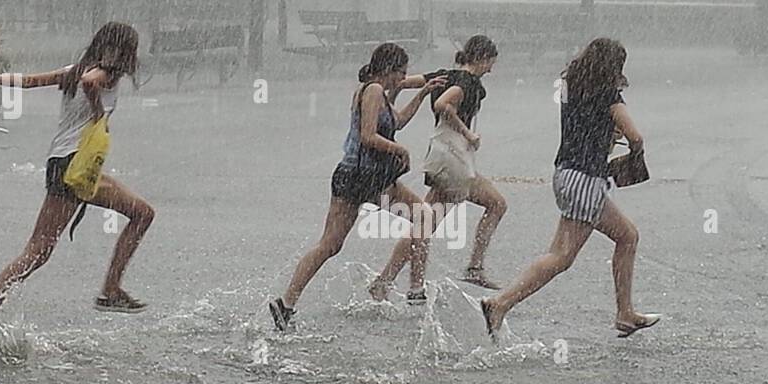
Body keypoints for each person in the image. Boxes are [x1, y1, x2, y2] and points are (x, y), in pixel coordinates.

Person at [0, 21, 155, 329]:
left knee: (41, 249)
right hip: (74, 167)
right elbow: (91, 82)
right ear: (125, 52)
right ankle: (109, 289)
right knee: (40, 250)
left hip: (62, 163)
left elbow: (27, 81)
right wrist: (98, 112)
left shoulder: (73, 70)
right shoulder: (102, 75)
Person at [481, 38, 660, 339]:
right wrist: (633, 157)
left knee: (627, 235)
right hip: (586, 180)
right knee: (561, 257)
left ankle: (625, 313)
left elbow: (588, 127)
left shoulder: (573, 89)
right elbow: (636, 136)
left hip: (565, 174)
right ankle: (500, 303)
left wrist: (603, 135)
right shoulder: (608, 95)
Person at [269, 44, 445, 330]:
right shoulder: (373, 91)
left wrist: (423, 93)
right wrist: (400, 150)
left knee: (331, 245)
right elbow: (367, 135)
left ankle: (286, 304)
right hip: (364, 176)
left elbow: (397, 121)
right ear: (388, 69)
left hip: (358, 175)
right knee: (420, 216)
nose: (403, 77)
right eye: (401, 72)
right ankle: (414, 290)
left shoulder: (377, 92)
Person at [368, 35, 507, 301]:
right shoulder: (469, 82)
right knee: (495, 204)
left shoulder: (445, 74)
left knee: (424, 224)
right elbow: (444, 104)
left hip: (443, 157)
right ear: (481, 58)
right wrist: (468, 134)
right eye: (490, 62)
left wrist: (389, 99)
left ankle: (386, 281)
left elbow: (402, 82)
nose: (491, 68)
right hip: (453, 160)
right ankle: (473, 266)